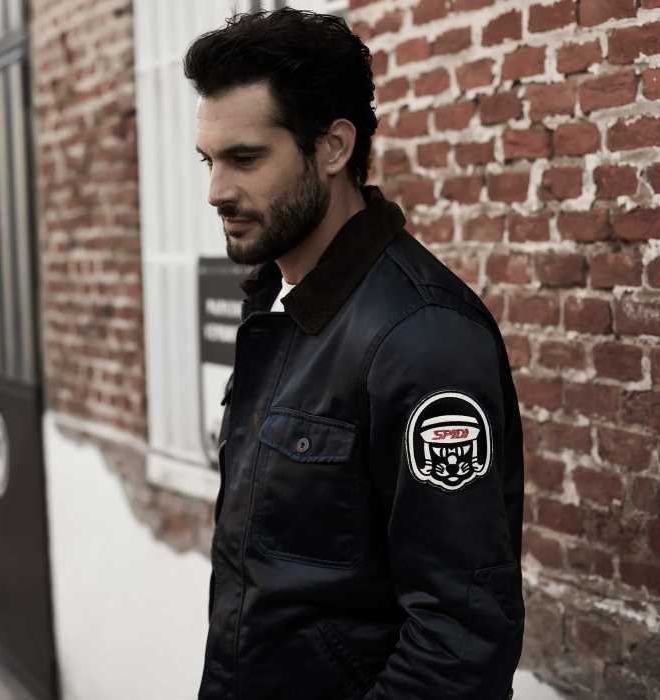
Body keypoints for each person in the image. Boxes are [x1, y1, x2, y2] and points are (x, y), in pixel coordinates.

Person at [185, 8, 524, 700]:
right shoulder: (272, 302)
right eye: (208, 161)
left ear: (333, 148)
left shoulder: (423, 339)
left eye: (245, 159)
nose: (216, 191)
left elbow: (459, 644)